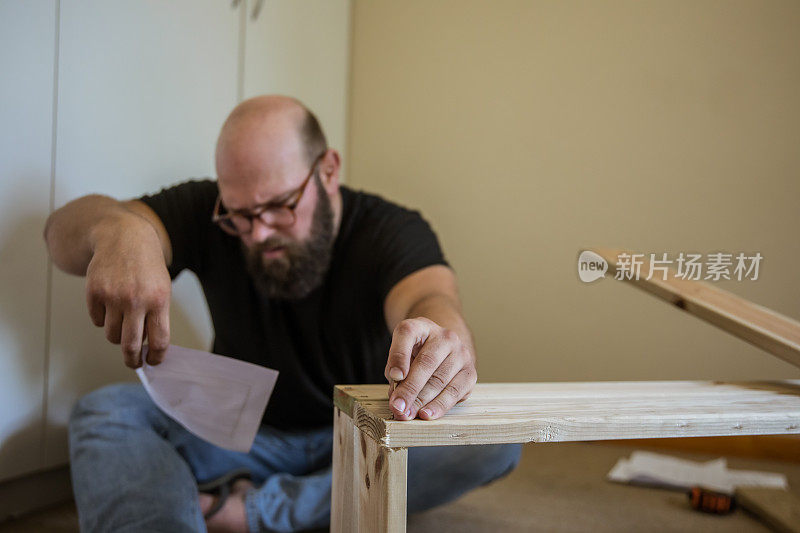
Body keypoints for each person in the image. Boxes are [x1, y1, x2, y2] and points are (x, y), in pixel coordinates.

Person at [44, 95, 521, 533]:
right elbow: (59, 234)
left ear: (328, 170)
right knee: (105, 412)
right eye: (240, 215)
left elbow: (432, 299)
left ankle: (248, 512)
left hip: (364, 434)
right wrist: (119, 230)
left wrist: (442, 339)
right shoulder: (207, 209)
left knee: (498, 436)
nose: (257, 233)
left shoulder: (392, 229)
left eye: (279, 206)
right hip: (239, 427)